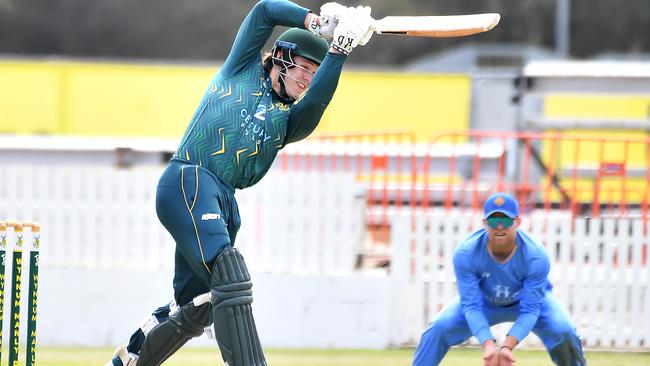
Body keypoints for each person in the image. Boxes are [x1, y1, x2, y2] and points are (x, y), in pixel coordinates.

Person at [107, 1, 374, 365]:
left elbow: (318, 101)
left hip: (223, 202)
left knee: (196, 305)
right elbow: (264, 11)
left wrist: (339, 52)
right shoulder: (243, 68)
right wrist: (315, 23)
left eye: (316, 71)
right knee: (229, 275)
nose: (308, 79)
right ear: (281, 58)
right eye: (305, 68)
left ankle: (128, 361)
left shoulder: (288, 123)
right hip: (190, 178)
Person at [413, 193, 586, 366]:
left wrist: (506, 348)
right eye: (494, 221)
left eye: (506, 220)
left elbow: (531, 309)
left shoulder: (536, 256)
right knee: (438, 329)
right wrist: (488, 345)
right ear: (484, 223)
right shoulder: (466, 253)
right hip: (483, 302)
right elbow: (471, 305)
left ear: (517, 222)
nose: (500, 226)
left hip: (529, 303)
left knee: (565, 331)